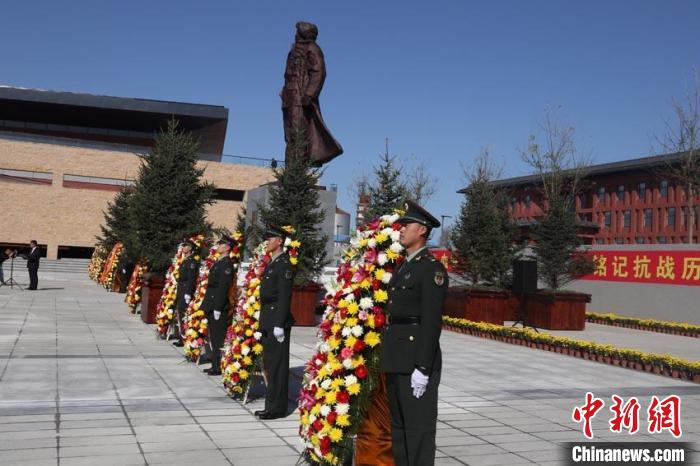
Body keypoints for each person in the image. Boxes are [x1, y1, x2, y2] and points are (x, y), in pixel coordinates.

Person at [381, 201, 448, 466]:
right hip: (397, 356)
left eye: (405, 225)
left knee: (418, 430)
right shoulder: (404, 266)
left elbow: (431, 321)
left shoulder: (431, 269)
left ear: (421, 230)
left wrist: (422, 367)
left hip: (415, 360)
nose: (400, 229)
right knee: (399, 427)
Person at [254, 225, 295, 420]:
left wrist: (279, 323)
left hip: (277, 320)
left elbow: (284, 296)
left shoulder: (284, 264)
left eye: (271, 238)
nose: (267, 242)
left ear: (280, 241)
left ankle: (277, 408)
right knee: (270, 364)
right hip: (268, 318)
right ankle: (270, 405)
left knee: (278, 366)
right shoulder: (273, 263)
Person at [200, 236, 236, 376]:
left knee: (218, 337)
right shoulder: (219, 262)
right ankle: (215, 364)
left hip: (218, 306)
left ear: (227, 247)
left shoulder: (226, 264)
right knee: (213, 337)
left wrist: (218, 307)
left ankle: (218, 366)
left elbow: (223, 286)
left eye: (221, 244)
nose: (218, 246)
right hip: (212, 303)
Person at [173, 240, 198, 347]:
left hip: (185, 292)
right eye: (182, 245)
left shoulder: (192, 262)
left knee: (184, 315)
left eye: (185, 246)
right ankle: (181, 336)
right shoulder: (185, 260)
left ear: (190, 248)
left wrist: (188, 293)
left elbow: (191, 279)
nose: (182, 247)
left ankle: (183, 338)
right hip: (181, 290)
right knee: (180, 313)